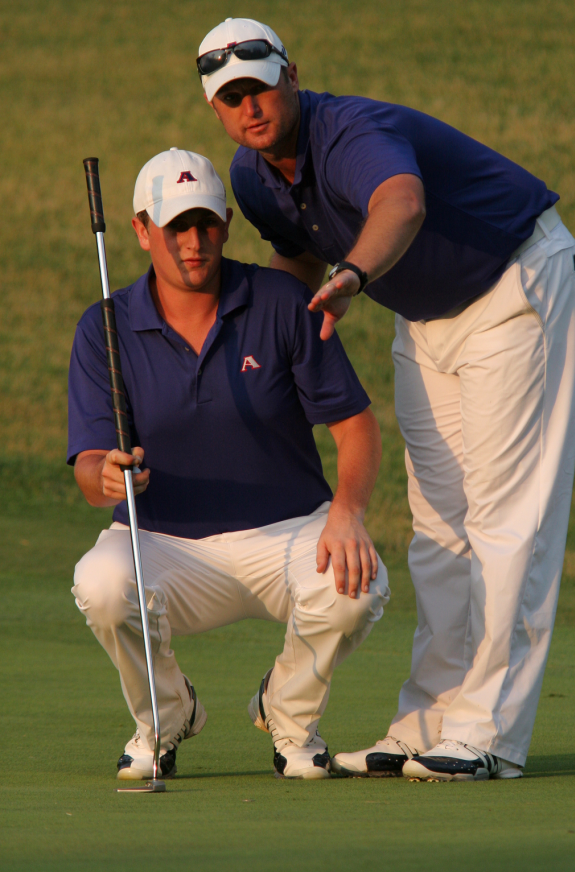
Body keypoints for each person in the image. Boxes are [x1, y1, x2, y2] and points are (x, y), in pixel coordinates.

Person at [197, 17, 575, 782]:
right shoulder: (251, 177)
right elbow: (294, 263)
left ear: (292, 76)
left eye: (261, 86)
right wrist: (256, 346)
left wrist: (351, 276)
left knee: (506, 518)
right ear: (215, 107)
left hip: (515, 282)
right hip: (427, 313)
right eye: (230, 97)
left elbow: (401, 203)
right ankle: (427, 723)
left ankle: (488, 738)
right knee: (438, 523)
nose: (250, 107)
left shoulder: (348, 130)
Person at [69, 147, 389, 782]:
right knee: (101, 583)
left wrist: (348, 513)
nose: (194, 242)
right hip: (165, 542)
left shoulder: (281, 302)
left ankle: (288, 717)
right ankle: (166, 717)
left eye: (207, 223)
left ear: (225, 225)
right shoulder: (104, 327)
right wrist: (107, 474)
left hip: (288, 531)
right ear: (141, 230)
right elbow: (87, 468)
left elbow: (357, 427)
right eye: (176, 227)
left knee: (358, 584)